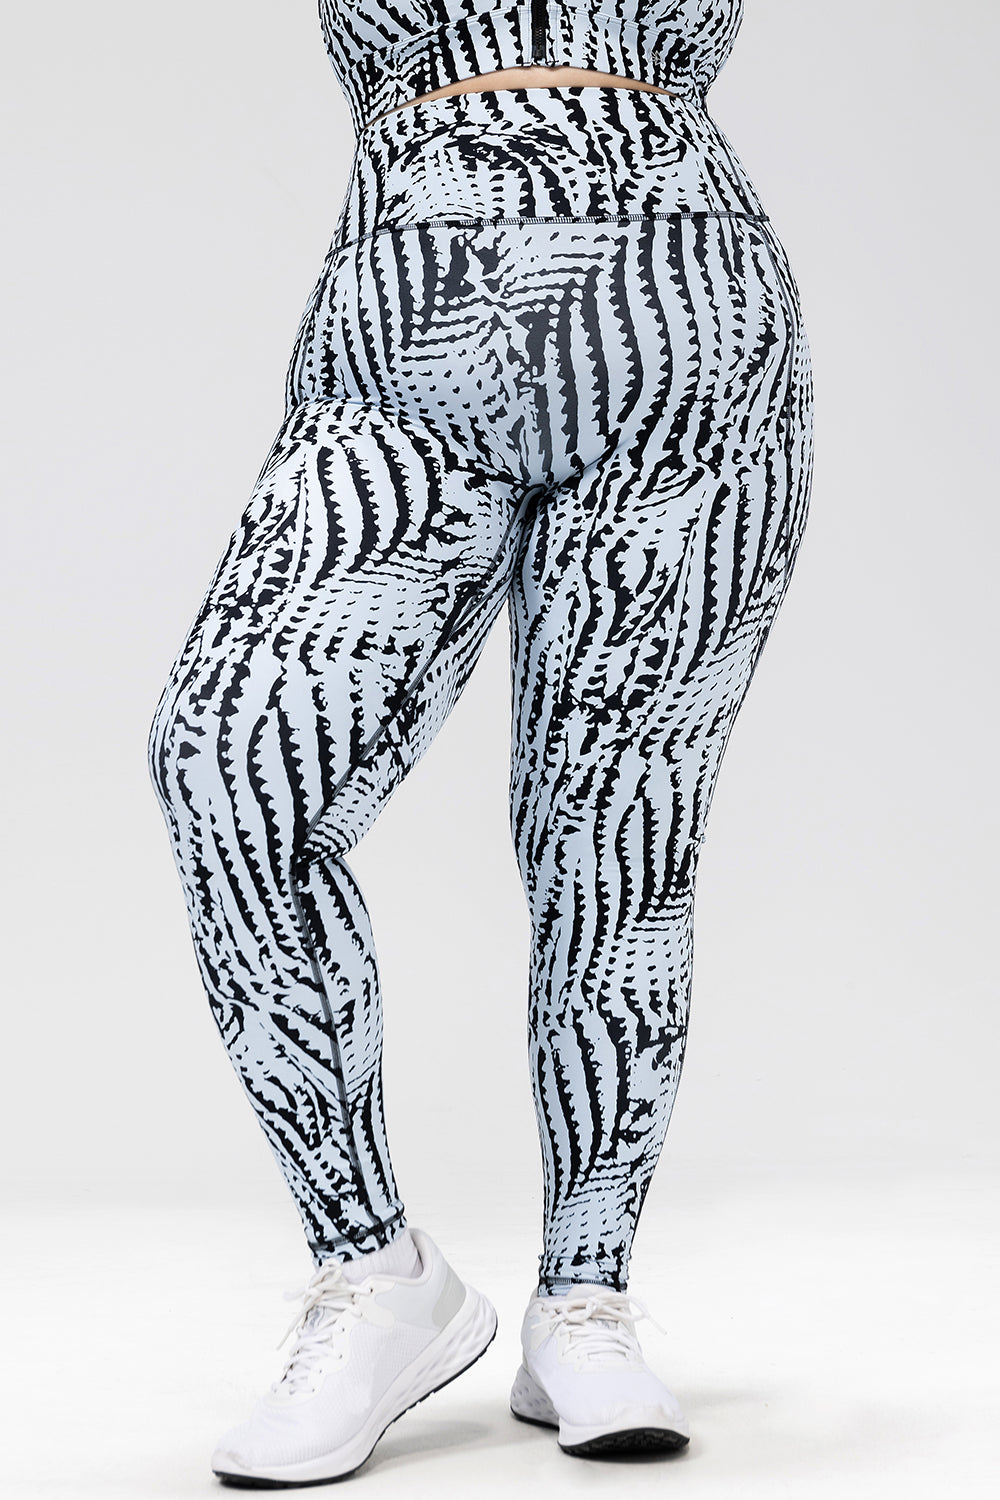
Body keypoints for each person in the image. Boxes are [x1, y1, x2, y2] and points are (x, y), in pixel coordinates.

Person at [147, 0, 812, 1484]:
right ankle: (377, 1272)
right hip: (406, 313)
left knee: (615, 833)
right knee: (228, 758)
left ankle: (587, 1298)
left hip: (690, 318)